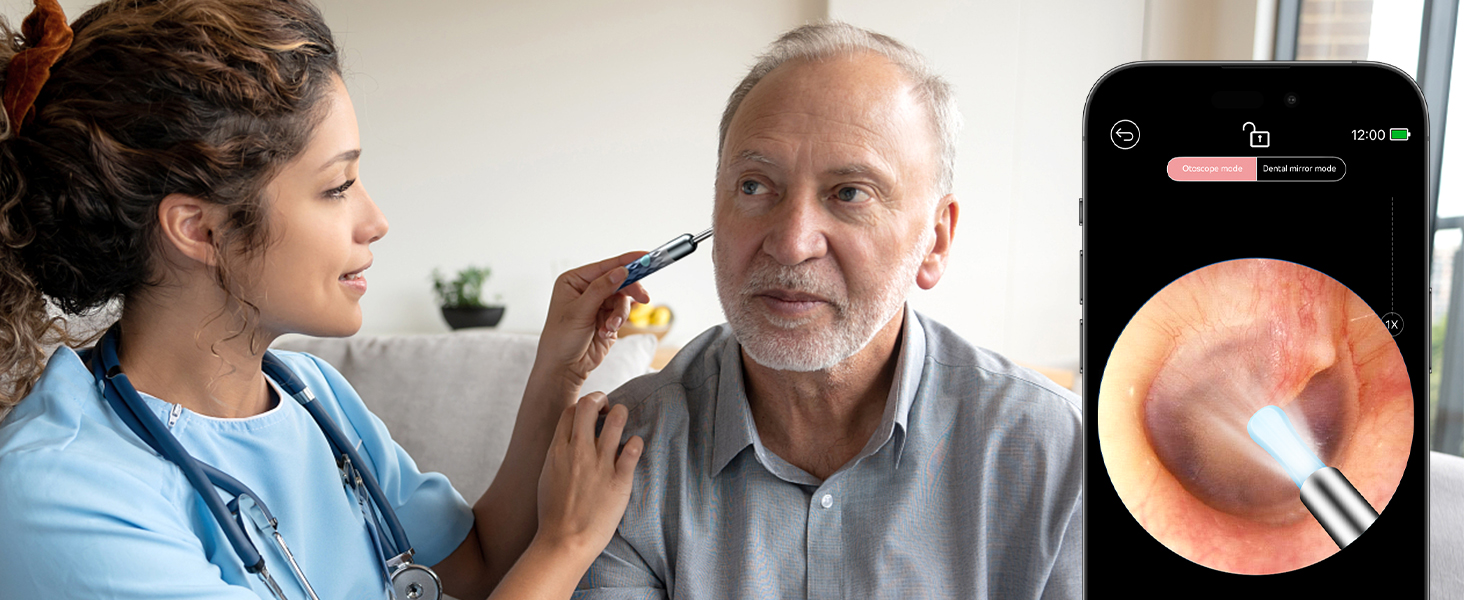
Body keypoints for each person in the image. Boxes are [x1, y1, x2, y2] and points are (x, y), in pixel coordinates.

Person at [0, 1, 645, 598]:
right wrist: (568, 543)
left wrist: (559, 369)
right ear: (200, 229)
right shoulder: (59, 493)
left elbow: (476, 562)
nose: (376, 221)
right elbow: (529, 561)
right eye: (337, 186)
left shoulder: (313, 397)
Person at [575, 22, 1082, 599]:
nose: (791, 243)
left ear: (935, 241)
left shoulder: (1060, 455)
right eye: (754, 186)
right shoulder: (623, 452)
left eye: (850, 193)